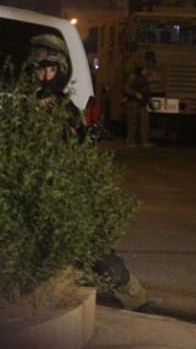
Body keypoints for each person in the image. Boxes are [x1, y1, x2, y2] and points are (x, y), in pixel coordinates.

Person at [26, 33, 151, 312]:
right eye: (41, 69)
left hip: (67, 193)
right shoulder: (25, 107)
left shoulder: (66, 109)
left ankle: (137, 299)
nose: (46, 75)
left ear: (60, 70)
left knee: (100, 256)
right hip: (34, 194)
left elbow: (81, 154)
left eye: (51, 69)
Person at [122, 63, 152, 148]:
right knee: (133, 123)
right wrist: (135, 93)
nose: (146, 71)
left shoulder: (143, 78)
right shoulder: (133, 77)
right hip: (133, 102)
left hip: (142, 103)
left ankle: (145, 142)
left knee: (145, 122)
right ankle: (131, 142)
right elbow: (126, 88)